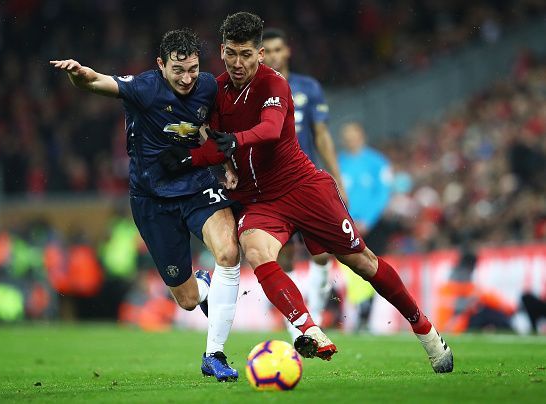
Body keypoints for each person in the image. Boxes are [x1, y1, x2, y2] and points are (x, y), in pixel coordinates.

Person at [159, 12, 453, 373]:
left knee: (362, 262)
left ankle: (425, 329)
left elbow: (267, 131)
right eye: (232, 53)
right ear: (222, 50)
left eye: (246, 55)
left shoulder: (274, 85)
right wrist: (187, 158)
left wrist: (234, 142)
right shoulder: (216, 91)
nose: (238, 63)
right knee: (254, 249)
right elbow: (217, 148)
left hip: (304, 189)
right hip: (260, 200)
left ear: (260, 54)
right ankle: (308, 327)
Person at [49, 29, 241, 381]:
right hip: (152, 199)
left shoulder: (208, 86)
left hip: (197, 185)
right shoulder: (144, 87)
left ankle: (214, 355)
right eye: (178, 70)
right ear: (160, 65)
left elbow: (206, 127)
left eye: (193, 69)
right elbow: (96, 83)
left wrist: (225, 164)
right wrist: (79, 75)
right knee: (186, 298)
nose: (187, 78)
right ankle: (202, 284)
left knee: (228, 253)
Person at [261, 28, 346, 341]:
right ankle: (296, 325)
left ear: (287, 52)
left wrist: (336, 176)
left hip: (306, 182)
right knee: (281, 257)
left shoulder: (308, 87)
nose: (272, 55)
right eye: (266, 50)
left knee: (322, 254)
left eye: (277, 49)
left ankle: (317, 310)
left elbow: (321, 134)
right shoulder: (253, 89)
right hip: (271, 189)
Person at [338, 123, 393, 331]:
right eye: (346, 136)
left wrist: (367, 220)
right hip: (345, 224)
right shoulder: (338, 163)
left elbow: (382, 194)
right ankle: (359, 313)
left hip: (374, 226)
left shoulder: (377, 162)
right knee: (351, 268)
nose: (350, 140)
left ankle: (366, 314)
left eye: (353, 135)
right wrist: (348, 220)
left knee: (373, 267)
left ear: (362, 136)